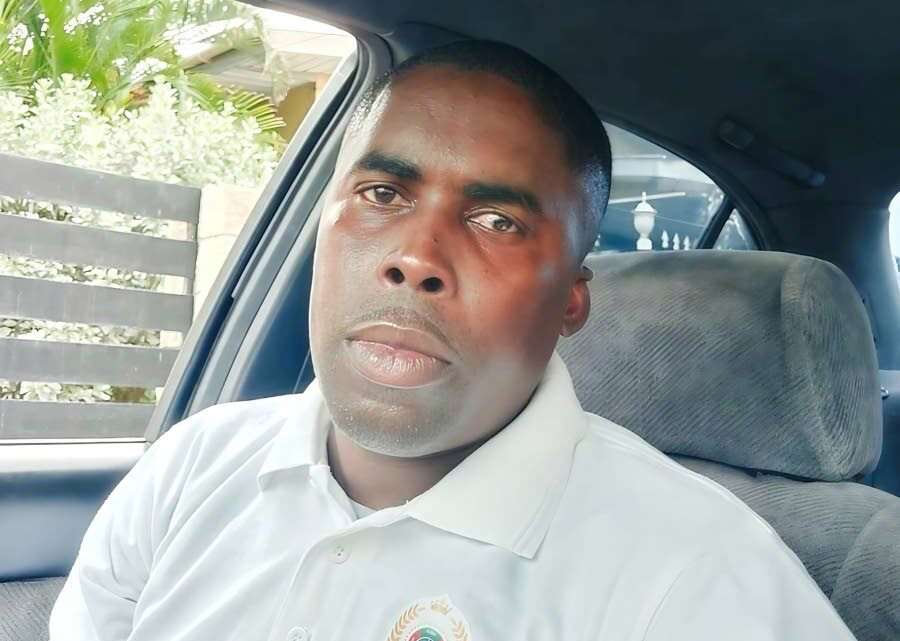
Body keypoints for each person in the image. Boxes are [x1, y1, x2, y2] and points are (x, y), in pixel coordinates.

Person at [50, 41, 856, 640]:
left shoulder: (698, 577)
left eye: (497, 220)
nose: (415, 257)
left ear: (570, 301)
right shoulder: (189, 470)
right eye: (382, 193)